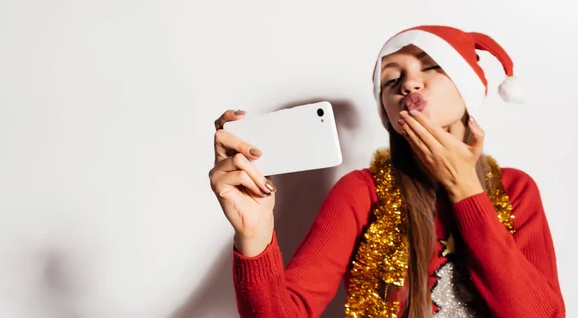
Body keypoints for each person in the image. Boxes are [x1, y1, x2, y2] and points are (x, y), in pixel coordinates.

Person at [208, 25, 566, 317]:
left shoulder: (516, 189)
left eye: (431, 67)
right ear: (388, 113)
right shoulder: (361, 193)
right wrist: (253, 236)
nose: (408, 85)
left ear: (469, 89)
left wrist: (465, 189)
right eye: (392, 80)